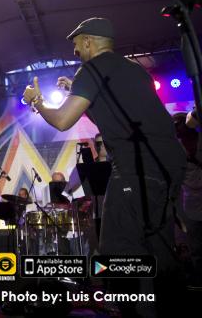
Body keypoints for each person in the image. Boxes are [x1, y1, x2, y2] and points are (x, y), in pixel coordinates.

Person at [23, 17, 186, 316]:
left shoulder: (92, 68)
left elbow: (62, 120)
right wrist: (84, 96)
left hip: (134, 168)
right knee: (158, 247)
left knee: (116, 250)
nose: (75, 51)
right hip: (168, 168)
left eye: (76, 45)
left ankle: (133, 311)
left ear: (88, 41)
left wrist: (38, 102)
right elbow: (118, 117)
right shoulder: (134, 70)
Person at [174, 111, 202, 287]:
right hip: (191, 203)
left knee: (196, 246)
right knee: (196, 247)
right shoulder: (176, 147)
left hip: (190, 202)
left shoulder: (196, 140)